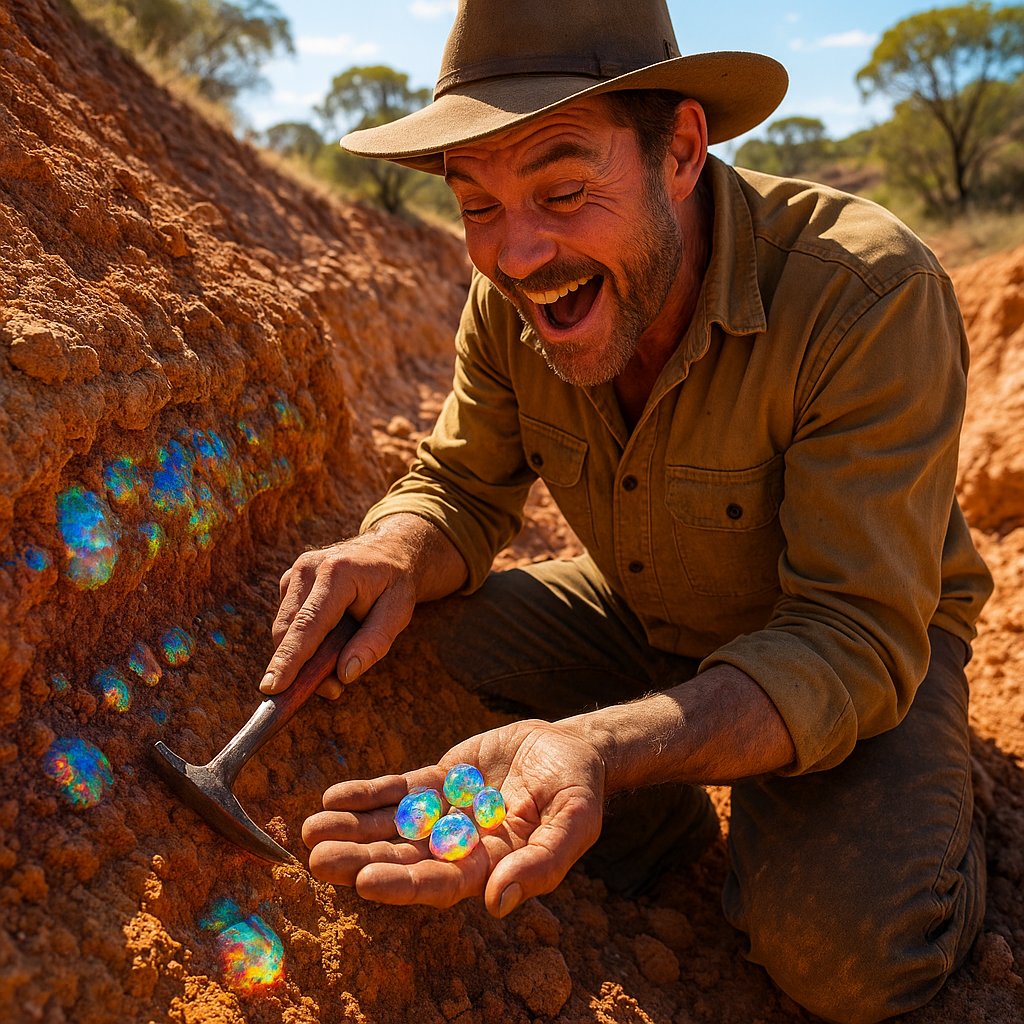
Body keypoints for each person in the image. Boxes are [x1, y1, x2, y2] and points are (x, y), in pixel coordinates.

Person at [258, 2, 994, 1020]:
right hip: (647, 611)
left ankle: (942, 828)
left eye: (563, 190)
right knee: (401, 642)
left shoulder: (864, 294)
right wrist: (391, 548)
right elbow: (462, 488)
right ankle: (657, 822)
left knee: (846, 954)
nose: (516, 256)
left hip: (859, 642)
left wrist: (601, 748)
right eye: (477, 206)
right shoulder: (515, 298)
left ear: (681, 151)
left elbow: (850, 632)